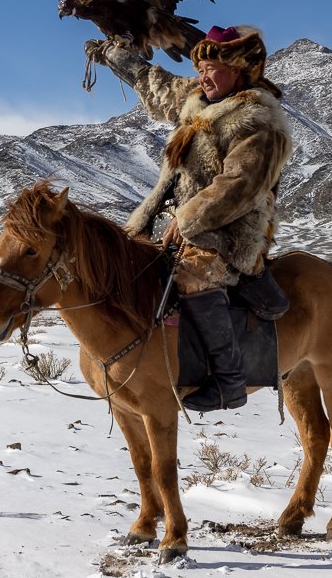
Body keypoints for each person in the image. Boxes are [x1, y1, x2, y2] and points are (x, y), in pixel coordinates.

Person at [87, 25, 292, 411]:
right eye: (200, 67)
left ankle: (229, 382)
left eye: (212, 67)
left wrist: (186, 220)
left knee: (193, 277)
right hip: (176, 223)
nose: (202, 75)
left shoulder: (258, 121)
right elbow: (156, 82)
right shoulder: (197, 102)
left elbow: (239, 185)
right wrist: (114, 55)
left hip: (229, 230)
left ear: (238, 70)